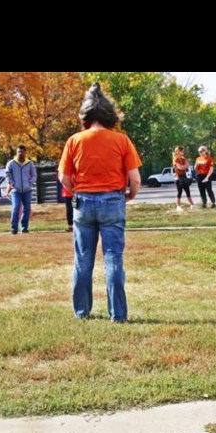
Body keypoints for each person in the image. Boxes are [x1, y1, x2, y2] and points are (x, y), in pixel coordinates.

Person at [59, 83, 142, 323]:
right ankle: (118, 314)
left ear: (85, 115)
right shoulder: (121, 141)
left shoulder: (74, 141)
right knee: (113, 257)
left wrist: (77, 191)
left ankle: (82, 311)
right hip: (113, 200)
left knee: (83, 259)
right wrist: (130, 195)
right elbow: (135, 178)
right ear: (109, 115)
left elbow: (64, 177)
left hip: (83, 203)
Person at [6, 145, 36, 234]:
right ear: (16, 152)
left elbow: (34, 175)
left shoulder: (30, 163)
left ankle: (24, 228)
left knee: (27, 209)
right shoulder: (11, 163)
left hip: (27, 190)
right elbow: (7, 174)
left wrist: (30, 183)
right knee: (16, 207)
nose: (20, 153)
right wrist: (12, 183)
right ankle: (14, 228)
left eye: (22, 151)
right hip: (16, 190)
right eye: (18, 151)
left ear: (25, 152)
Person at [172, 146, 194, 211]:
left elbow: (187, 165)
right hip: (178, 177)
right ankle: (178, 206)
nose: (183, 152)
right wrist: (184, 166)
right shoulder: (175, 159)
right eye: (182, 151)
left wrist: (184, 166)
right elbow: (179, 167)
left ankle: (192, 204)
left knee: (188, 191)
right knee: (179, 192)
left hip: (184, 176)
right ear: (178, 151)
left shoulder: (183, 159)